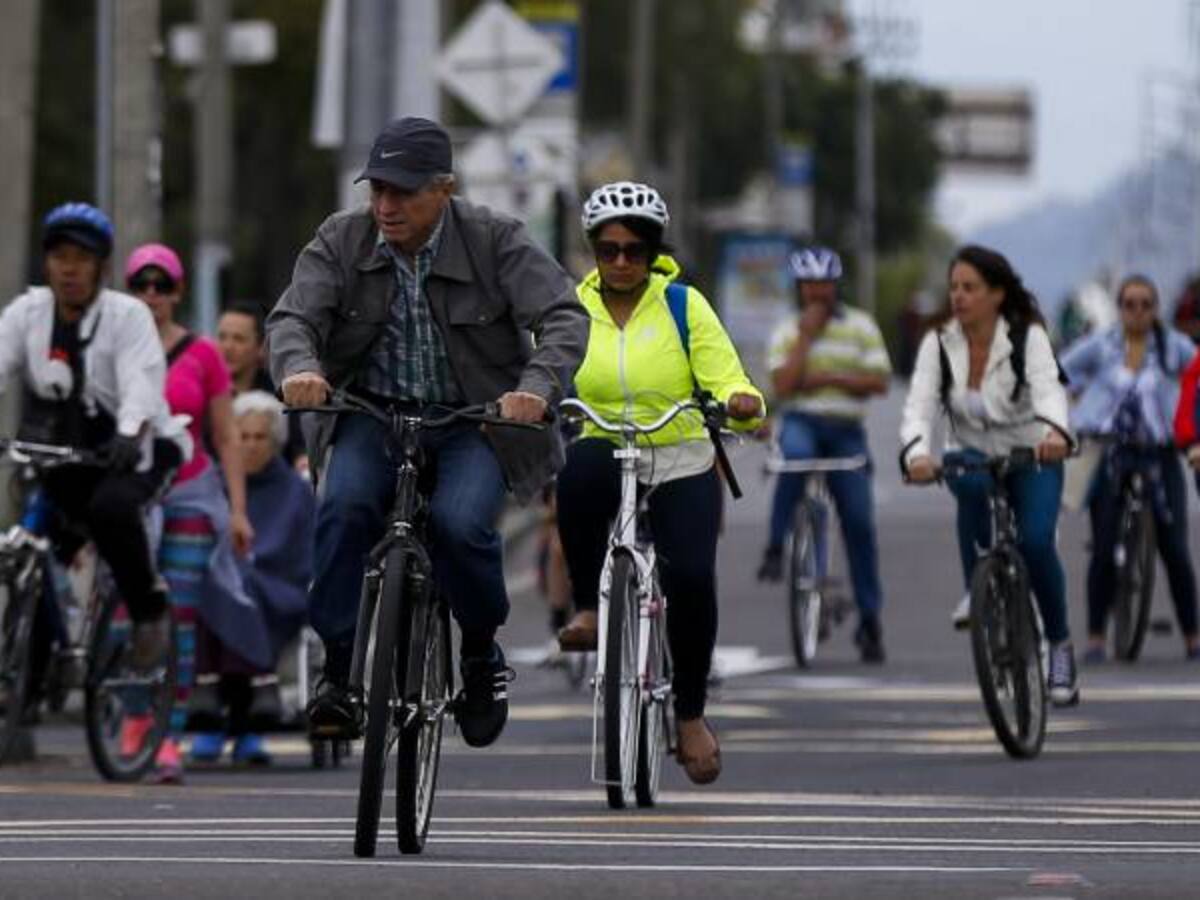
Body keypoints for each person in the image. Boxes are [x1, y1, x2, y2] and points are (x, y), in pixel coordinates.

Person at [267, 116, 589, 749]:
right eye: (377, 190)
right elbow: (293, 318)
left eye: (403, 192)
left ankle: (477, 656)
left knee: (460, 525)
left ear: (444, 188)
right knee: (342, 507)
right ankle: (337, 670)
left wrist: (536, 389)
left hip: (473, 420)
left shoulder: (495, 239)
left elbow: (562, 316)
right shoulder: (341, 239)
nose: (386, 206)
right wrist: (301, 369)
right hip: (370, 413)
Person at [554, 181, 764, 785]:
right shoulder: (570, 307)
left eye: (635, 250)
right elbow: (545, 368)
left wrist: (741, 400)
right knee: (575, 475)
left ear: (654, 252)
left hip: (679, 448)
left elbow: (726, 376)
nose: (621, 262)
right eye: (608, 249)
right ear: (593, 249)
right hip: (602, 439)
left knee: (691, 574)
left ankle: (691, 714)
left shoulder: (683, 305)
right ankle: (590, 605)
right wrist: (528, 398)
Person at [0, 204, 188, 720]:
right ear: (46, 263)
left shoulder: (126, 318)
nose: (69, 268)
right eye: (60, 256)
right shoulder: (27, 314)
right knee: (29, 551)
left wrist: (128, 435)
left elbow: (142, 386)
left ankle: (148, 612)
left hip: (139, 447)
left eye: (82, 258)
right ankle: (31, 680)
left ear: (102, 268)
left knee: (110, 511)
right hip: (66, 451)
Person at [901, 245, 1078, 705]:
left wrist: (1056, 433)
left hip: (1031, 452)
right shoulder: (938, 343)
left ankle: (1058, 644)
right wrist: (917, 455)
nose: (958, 296)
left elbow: (1050, 391)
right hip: (973, 454)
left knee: (1037, 541)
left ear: (997, 294)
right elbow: (918, 407)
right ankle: (976, 586)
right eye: (954, 287)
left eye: (970, 288)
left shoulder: (1027, 338)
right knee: (969, 482)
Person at [125, 243, 270, 781]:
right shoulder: (115, 346)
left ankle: (167, 732)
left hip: (189, 491)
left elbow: (226, 438)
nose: (152, 295)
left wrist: (236, 511)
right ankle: (132, 721)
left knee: (179, 622)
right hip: (132, 494)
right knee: (127, 616)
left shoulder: (204, 354)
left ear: (178, 293)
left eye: (162, 285)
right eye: (141, 284)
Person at [757, 246, 892, 663]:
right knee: (793, 458)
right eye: (810, 285)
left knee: (858, 520)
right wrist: (806, 338)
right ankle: (777, 545)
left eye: (825, 285)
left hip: (846, 429)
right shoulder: (787, 330)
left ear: (836, 287)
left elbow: (878, 380)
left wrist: (827, 376)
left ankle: (870, 618)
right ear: (800, 289)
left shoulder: (861, 326)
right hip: (803, 421)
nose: (818, 293)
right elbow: (784, 386)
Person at [1061, 275, 1199, 662]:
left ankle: (1192, 635)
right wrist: (1073, 396)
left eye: (1145, 305)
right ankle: (1095, 637)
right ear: (1119, 308)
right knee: (1104, 544)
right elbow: (1059, 371)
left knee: (1174, 545)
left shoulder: (1174, 347)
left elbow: (1198, 374)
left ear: (1155, 309)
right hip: (1110, 452)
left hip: (1160, 451)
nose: (1137, 312)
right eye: (1129, 304)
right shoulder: (1100, 346)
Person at [185, 392, 316, 764]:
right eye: (243, 436)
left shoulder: (296, 490)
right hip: (228, 587)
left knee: (238, 586)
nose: (251, 445)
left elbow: (304, 553)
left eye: (260, 437)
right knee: (220, 583)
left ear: (274, 442)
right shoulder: (215, 485)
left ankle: (212, 691)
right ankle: (254, 700)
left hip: (280, 588)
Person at [216, 303, 307, 468]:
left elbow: (298, 450)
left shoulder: (283, 394)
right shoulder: (205, 393)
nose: (227, 347)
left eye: (239, 339)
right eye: (222, 337)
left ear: (261, 347)